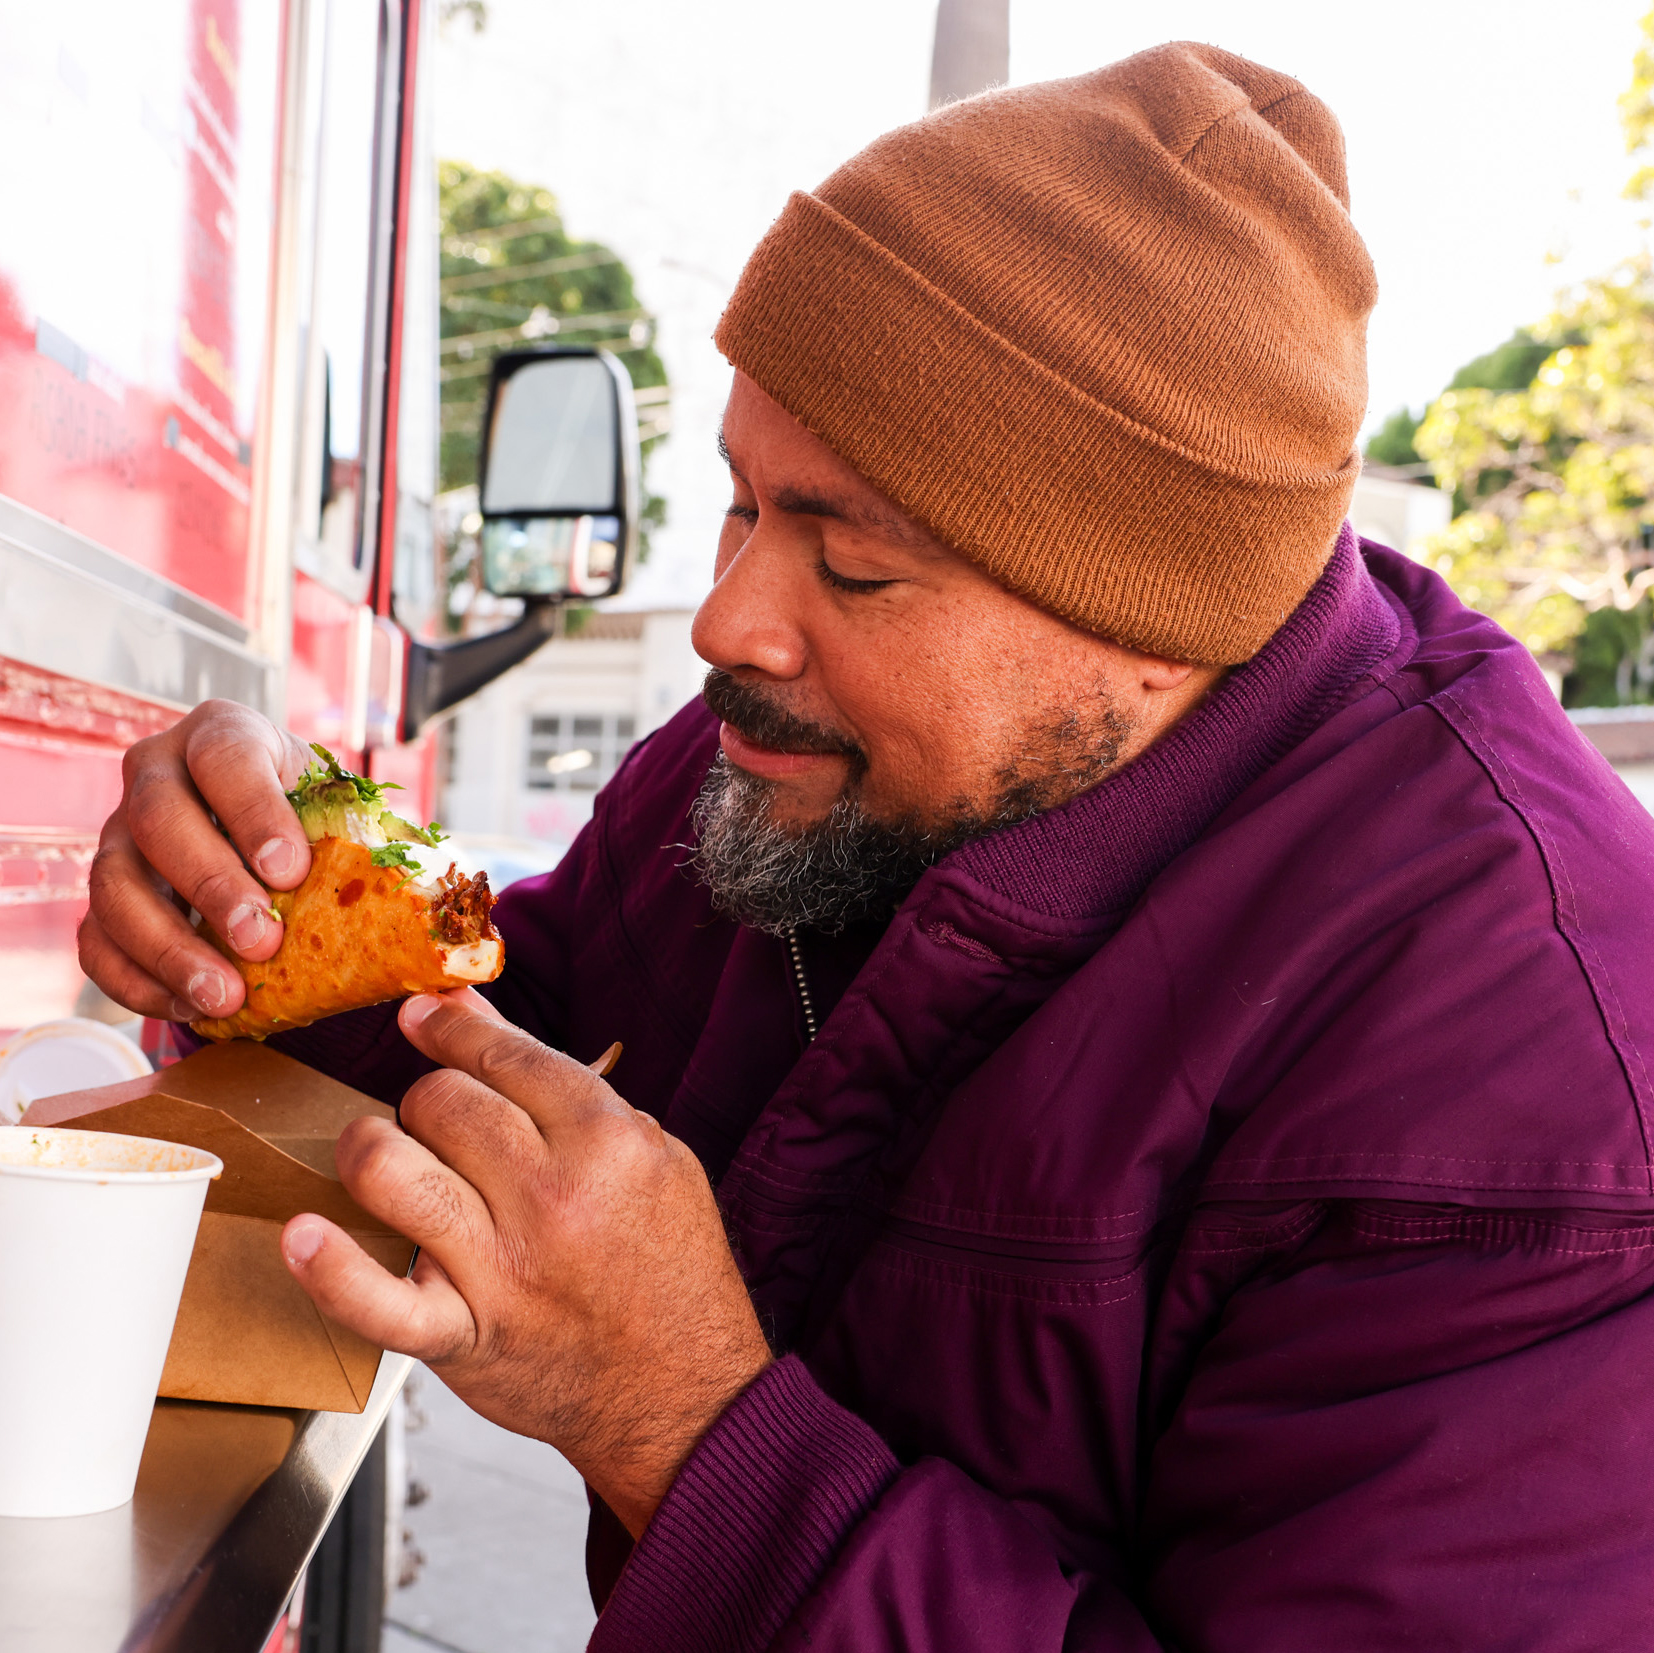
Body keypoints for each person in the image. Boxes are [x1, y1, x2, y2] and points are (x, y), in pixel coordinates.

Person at [81, 42, 1654, 1651]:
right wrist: (244, 919)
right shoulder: (784, 765)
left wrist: (682, 1421)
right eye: (744, 506)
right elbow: (474, 1051)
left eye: (855, 568)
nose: (725, 619)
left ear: (1154, 626)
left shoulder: (1532, 1084)